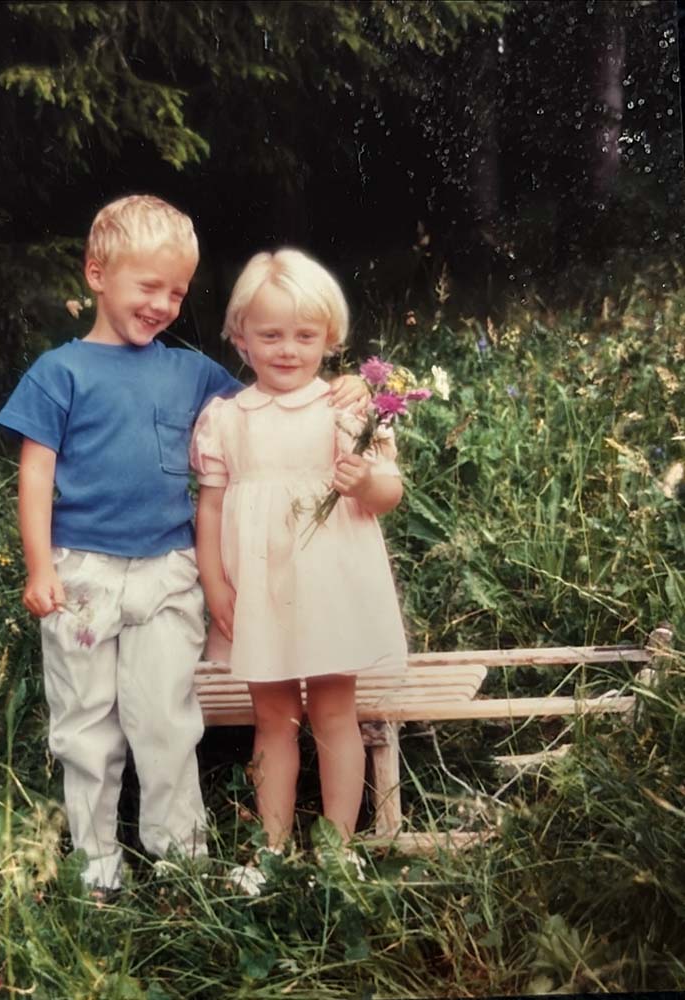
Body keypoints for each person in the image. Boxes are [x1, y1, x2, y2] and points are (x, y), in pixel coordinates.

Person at [0, 196, 367, 892]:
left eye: (177, 291)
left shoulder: (189, 373)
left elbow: (274, 394)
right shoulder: (59, 372)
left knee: (167, 717)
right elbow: (35, 471)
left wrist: (342, 387)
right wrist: (40, 566)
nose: (163, 305)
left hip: (169, 572)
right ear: (96, 274)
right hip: (81, 573)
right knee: (85, 723)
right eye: (149, 286)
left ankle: (180, 856)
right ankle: (96, 864)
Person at [190, 247, 409, 876]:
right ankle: (272, 849)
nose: (288, 350)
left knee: (337, 712)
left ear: (329, 338)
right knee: (273, 718)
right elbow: (210, 508)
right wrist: (215, 583)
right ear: (241, 338)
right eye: (271, 335)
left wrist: (366, 481)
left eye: (305, 336)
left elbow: (388, 493)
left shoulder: (346, 409)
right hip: (261, 590)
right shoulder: (226, 419)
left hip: (331, 584)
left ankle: (339, 849)